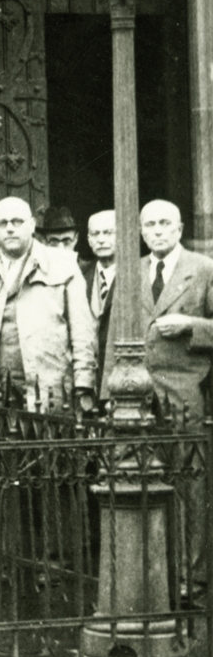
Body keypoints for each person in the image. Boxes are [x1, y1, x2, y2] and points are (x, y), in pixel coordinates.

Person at [0, 196, 96, 411]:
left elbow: (82, 334)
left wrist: (83, 383)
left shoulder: (63, 265)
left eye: (17, 222)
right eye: (2, 223)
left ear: (32, 225)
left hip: (50, 389)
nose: (9, 229)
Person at [137, 199, 213, 589]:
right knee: (143, 485)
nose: (157, 231)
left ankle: (191, 576)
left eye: (165, 223)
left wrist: (190, 324)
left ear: (180, 229)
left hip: (185, 394)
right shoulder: (133, 271)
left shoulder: (202, 269)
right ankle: (154, 576)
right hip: (139, 399)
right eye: (149, 225)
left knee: (189, 487)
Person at [83, 209, 116, 384]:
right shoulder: (79, 275)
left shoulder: (136, 274)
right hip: (88, 377)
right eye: (95, 234)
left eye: (108, 233)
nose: (101, 239)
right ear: (88, 239)